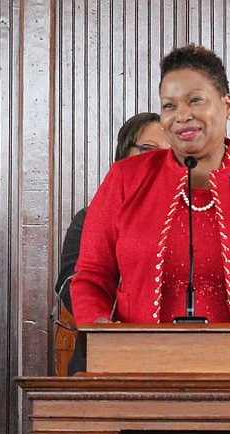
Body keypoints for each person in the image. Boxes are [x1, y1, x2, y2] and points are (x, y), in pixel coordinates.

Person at [71, 45, 230, 354]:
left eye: (195, 100)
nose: (182, 116)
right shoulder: (125, 179)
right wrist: (99, 328)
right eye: (169, 106)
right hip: (137, 365)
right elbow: (91, 276)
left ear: (227, 105)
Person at [54, 112, 170, 375]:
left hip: (178, 359)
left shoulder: (195, 219)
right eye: (148, 149)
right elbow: (70, 284)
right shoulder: (90, 218)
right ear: (123, 155)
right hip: (106, 359)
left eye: (171, 151)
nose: (161, 158)